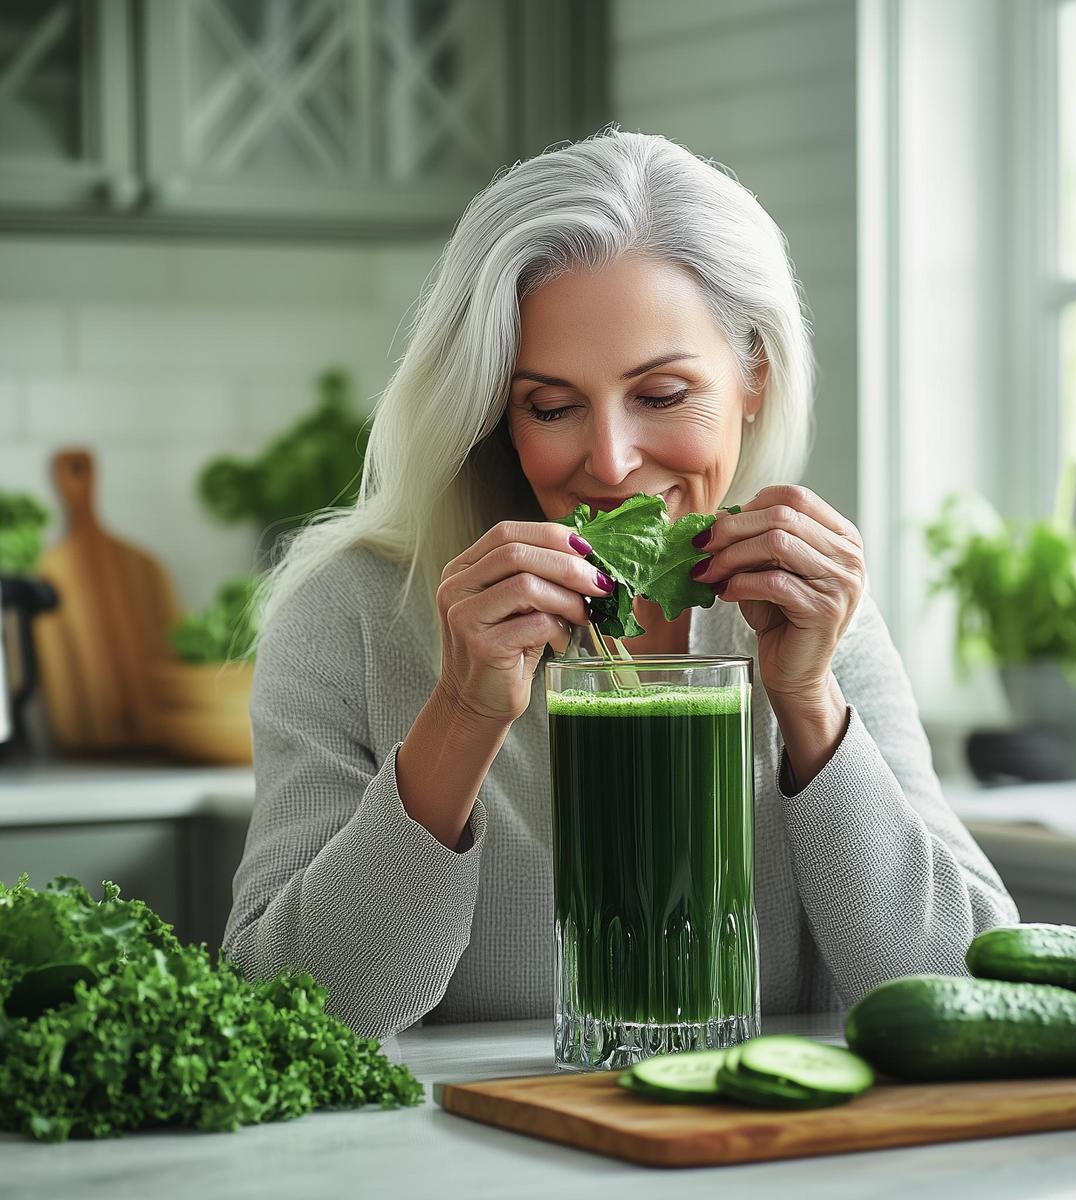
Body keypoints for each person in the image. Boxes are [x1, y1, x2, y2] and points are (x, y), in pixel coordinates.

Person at [223, 126, 1019, 1041]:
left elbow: (969, 987)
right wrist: (463, 713)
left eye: (664, 394)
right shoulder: (349, 615)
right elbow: (274, 1012)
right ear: (494, 412)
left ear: (752, 374)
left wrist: (806, 699)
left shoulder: (807, 613)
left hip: (755, 1164)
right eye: (552, 407)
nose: (609, 459)